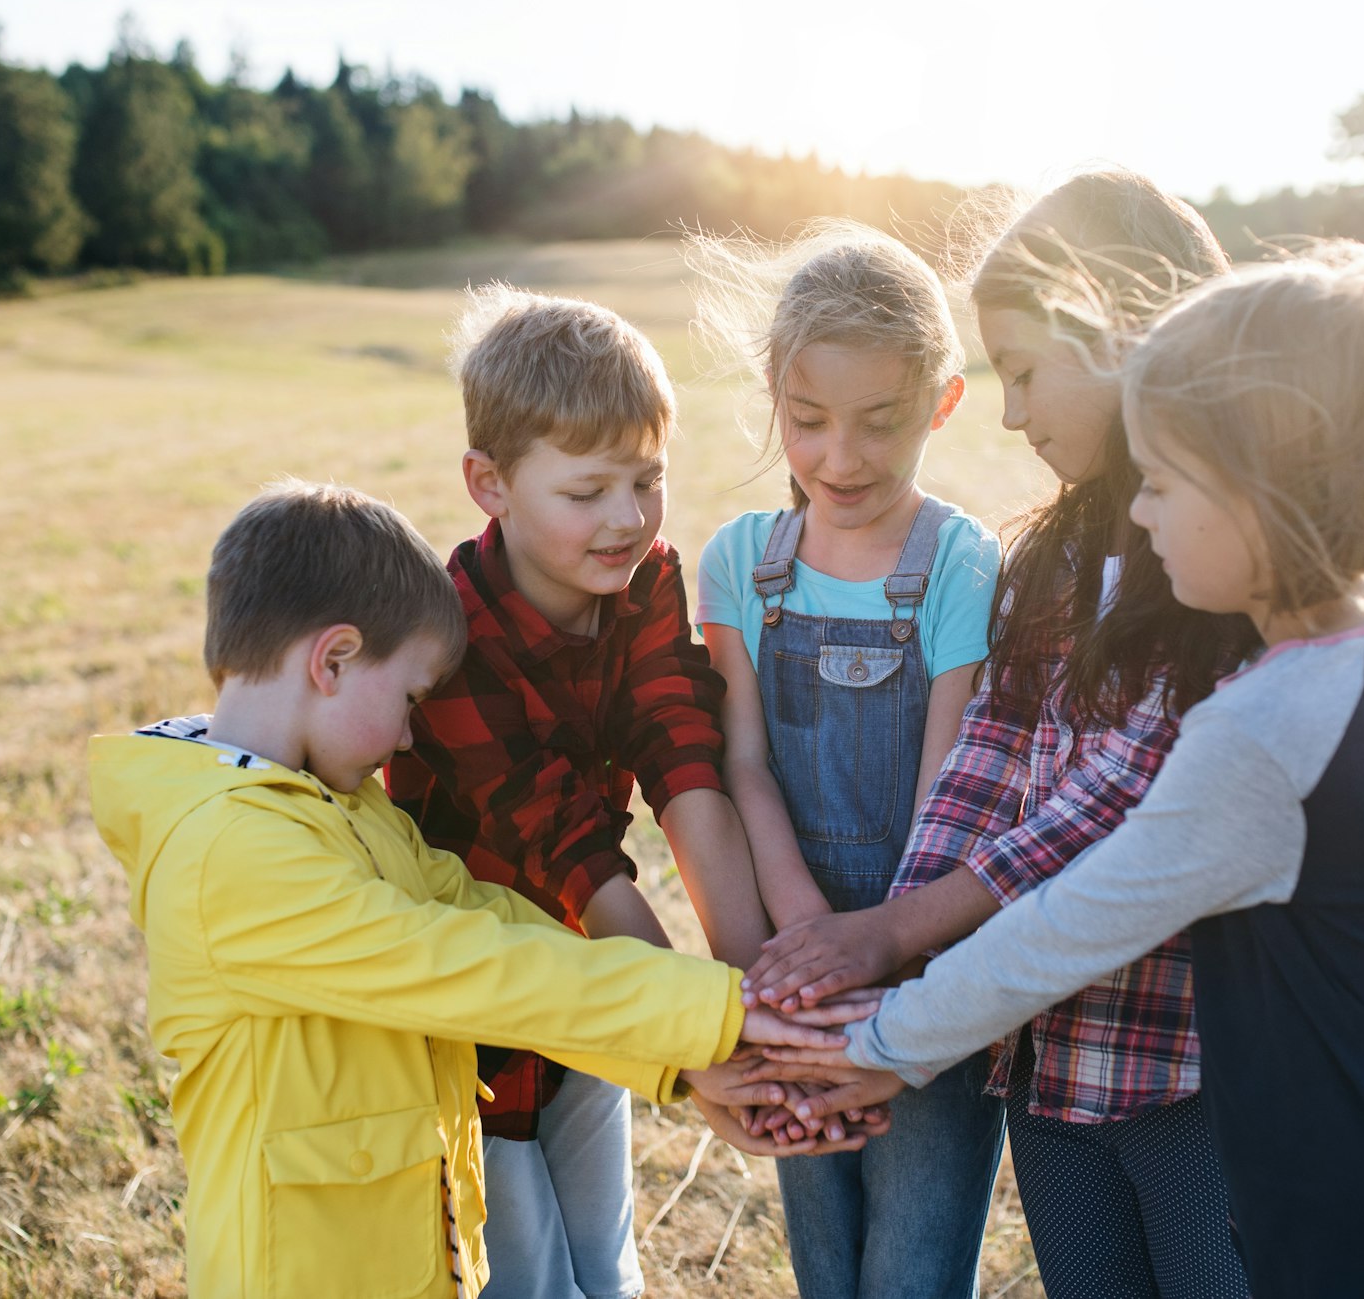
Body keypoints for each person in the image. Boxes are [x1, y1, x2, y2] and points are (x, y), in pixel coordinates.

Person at [764, 243, 1364, 1298]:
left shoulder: (1264, 732)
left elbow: (1068, 925)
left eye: (1156, 482)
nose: (1136, 517)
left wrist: (876, 1042)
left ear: (1261, 491)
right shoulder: (1357, 655)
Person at [89, 479, 854, 1299]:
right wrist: (715, 1015)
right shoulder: (231, 853)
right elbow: (476, 967)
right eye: (411, 697)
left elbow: (491, 917)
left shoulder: (342, 806)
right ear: (333, 659)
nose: (411, 733)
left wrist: (691, 1053)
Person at [743, 169, 1257, 1299]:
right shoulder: (1052, 558)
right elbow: (985, 765)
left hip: (1190, 1065)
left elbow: (1119, 800)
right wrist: (882, 949)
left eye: (1024, 373)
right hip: (1053, 1063)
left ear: (1122, 332)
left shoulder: (1226, 557)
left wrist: (893, 948)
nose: (1013, 414)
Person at [383, 288, 773, 1299]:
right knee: (530, 1277)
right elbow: (565, 842)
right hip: (482, 1011)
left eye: (647, 479)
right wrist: (694, 1033)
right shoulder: (451, 634)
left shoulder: (645, 579)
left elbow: (680, 752)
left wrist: (748, 991)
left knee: (606, 1262)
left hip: (592, 987)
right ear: (490, 484)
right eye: (587, 489)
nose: (627, 517)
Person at [686, 222, 1005, 1299]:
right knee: (824, 1256)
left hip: (927, 963)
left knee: (912, 1266)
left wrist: (872, 958)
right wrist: (803, 952)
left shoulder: (960, 561)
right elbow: (745, 766)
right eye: (807, 420)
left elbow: (947, 785)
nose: (839, 458)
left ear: (941, 402)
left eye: (880, 421)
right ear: (772, 395)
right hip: (793, 971)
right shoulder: (738, 564)